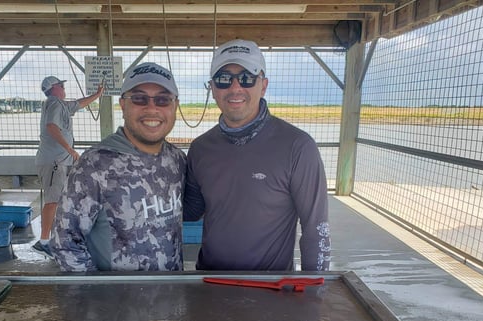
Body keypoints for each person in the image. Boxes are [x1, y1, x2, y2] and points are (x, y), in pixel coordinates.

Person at [184, 39, 331, 271]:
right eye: (224, 80)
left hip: (271, 288)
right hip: (208, 284)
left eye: (246, 78)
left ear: (263, 85)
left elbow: (316, 229)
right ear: (212, 88)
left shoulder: (298, 146)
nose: (235, 88)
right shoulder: (200, 148)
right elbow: (189, 210)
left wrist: (316, 291)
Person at [50, 62, 185, 272]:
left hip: (172, 295)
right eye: (139, 98)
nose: (152, 108)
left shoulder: (177, 159)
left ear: (174, 105)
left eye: (163, 99)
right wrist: (101, 296)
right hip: (116, 301)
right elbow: (65, 242)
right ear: (123, 104)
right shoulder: (94, 164)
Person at [32, 76, 104, 257]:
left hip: (60, 162)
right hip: (54, 161)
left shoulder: (61, 105)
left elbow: (79, 103)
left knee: (59, 200)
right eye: (61, 85)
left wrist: (97, 94)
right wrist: (70, 150)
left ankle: (54, 238)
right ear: (53, 88)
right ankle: (43, 241)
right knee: (52, 200)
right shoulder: (54, 103)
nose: (64, 88)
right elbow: (51, 126)